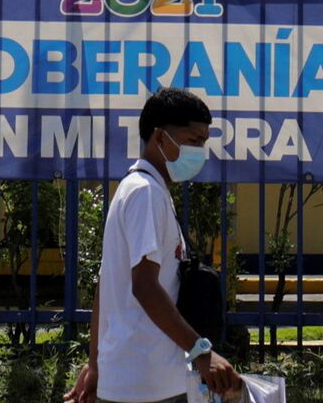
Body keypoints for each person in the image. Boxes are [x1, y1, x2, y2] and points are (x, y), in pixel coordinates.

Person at [67, 87, 243, 403]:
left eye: (204, 142)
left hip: (145, 379)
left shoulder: (144, 191)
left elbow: (105, 288)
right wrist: (202, 351)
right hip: (146, 385)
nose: (200, 151)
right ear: (160, 138)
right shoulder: (144, 193)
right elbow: (144, 287)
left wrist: (95, 365)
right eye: (193, 141)